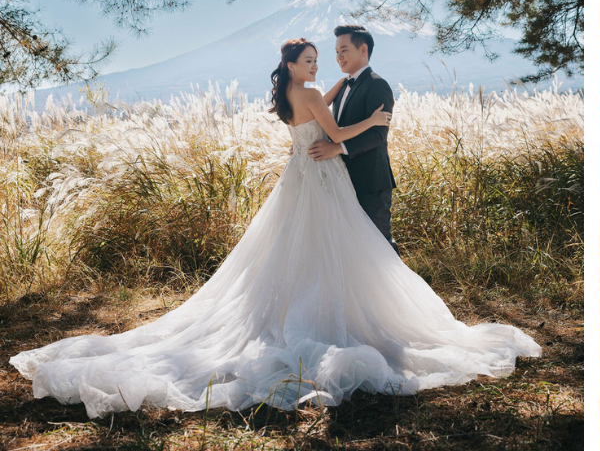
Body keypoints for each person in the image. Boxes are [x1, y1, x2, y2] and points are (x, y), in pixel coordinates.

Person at [10, 38, 541, 419]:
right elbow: (335, 132)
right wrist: (373, 123)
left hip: (298, 178)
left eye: (323, 58)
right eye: (311, 59)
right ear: (292, 63)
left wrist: (331, 86)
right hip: (325, 176)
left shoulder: (295, 93)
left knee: (296, 248)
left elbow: (317, 106)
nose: (319, 64)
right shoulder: (311, 95)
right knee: (340, 246)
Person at [305, 25, 398, 251]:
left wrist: (337, 148)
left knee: (379, 243)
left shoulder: (377, 85)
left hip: (370, 181)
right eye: (336, 51)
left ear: (363, 49)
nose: (339, 57)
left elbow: (377, 135)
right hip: (342, 179)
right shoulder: (343, 86)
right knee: (353, 248)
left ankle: (397, 286)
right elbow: (335, 126)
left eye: (344, 50)